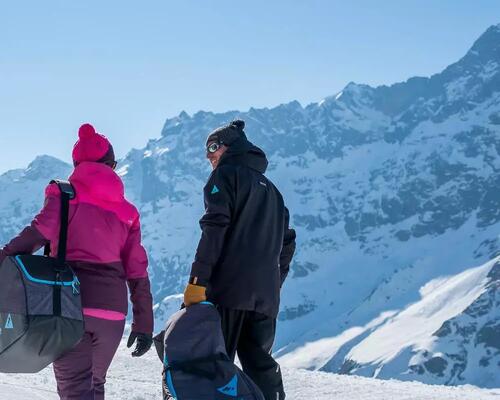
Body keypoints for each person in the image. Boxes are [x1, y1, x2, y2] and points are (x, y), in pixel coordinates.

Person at [0, 123, 154, 400]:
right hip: (113, 314)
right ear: (110, 165)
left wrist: (3, 257)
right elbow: (137, 270)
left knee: (75, 391)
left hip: (71, 306)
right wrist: (144, 323)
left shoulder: (65, 194)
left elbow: (38, 234)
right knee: (95, 386)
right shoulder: (128, 212)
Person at [183, 120, 296, 400]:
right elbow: (287, 243)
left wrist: (197, 282)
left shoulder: (225, 176)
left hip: (229, 292)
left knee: (212, 365)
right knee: (260, 368)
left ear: (230, 147)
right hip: (265, 300)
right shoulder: (274, 192)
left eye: (213, 147)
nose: (209, 155)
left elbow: (214, 231)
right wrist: (273, 282)